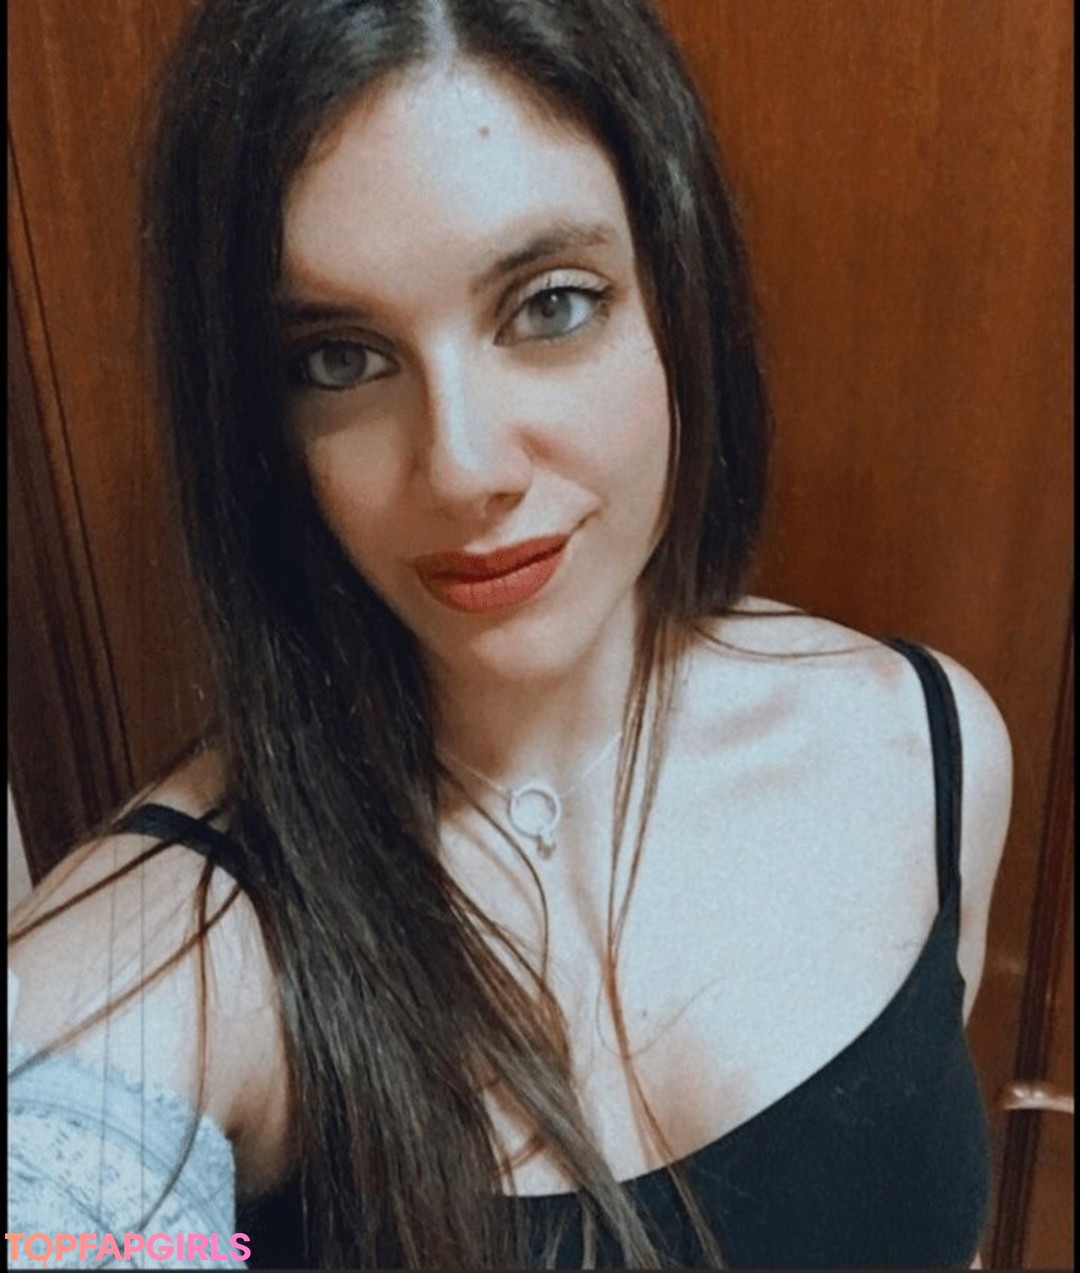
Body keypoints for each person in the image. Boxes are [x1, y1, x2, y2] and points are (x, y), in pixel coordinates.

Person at [7, 0, 1013, 1267]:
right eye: (339, 360)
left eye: (550, 305)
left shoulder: (925, 748)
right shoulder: (193, 955)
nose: (463, 467)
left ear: (678, 291)